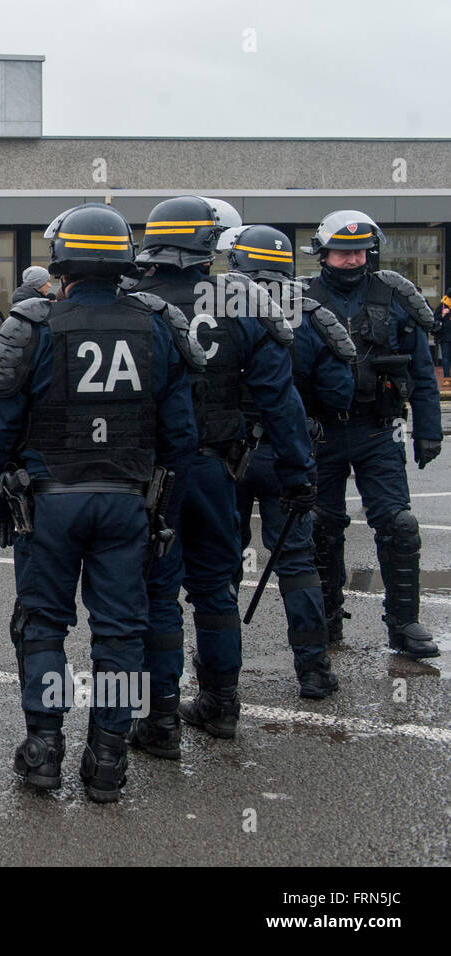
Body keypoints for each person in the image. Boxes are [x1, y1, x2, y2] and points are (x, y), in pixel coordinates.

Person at [0, 203, 199, 801]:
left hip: (47, 503)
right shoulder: (157, 321)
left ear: (61, 260)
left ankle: (44, 750)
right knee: (121, 633)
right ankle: (107, 761)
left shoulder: (33, 323)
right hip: (128, 502)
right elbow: (180, 436)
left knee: (43, 625)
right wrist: (165, 510)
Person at [127, 196, 314, 751]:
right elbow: (280, 399)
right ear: (212, 244)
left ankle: (158, 720)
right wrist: (299, 470)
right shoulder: (247, 299)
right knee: (214, 587)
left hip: (149, 471)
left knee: (157, 590)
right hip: (215, 466)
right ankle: (221, 704)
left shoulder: (133, 301)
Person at [302, 210, 443, 658]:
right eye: (343, 252)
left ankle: (405, 625)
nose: (352, 259)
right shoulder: (300, 298)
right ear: (323, 253)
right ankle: (326, 622)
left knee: (399, 526)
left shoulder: (395, 296)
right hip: (320, 432)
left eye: (359, 251)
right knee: (321, 528)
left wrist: (428, 430)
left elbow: (422, 371)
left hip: (378, 431)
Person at [223, 225, 353, 698]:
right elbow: (341, 389)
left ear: (237, 264)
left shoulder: (219, 310)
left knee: (221, 562)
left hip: (229, 454)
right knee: (297, 562)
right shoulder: (314, 313)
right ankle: (314, 669)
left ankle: (219, 675)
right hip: (288, 451)